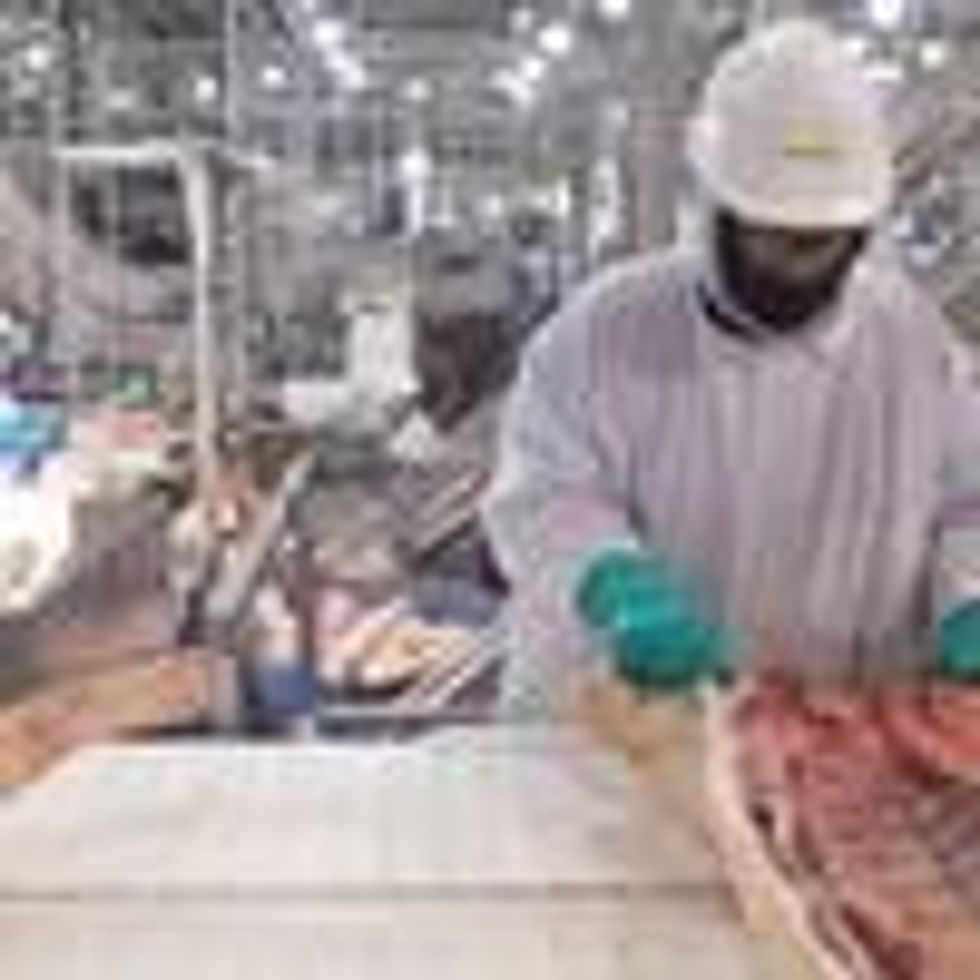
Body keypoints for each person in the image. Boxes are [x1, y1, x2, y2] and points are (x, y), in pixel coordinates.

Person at [483, 20, 980, 715]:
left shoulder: (912, 345)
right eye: (775, 237)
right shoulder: (605, 329)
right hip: (631, 727)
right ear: (719, 211)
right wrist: (611, 580)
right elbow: (543, 494)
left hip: (835, 726)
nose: (798, 266)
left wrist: (971, 595)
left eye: (822, 242)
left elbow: (967, 504)